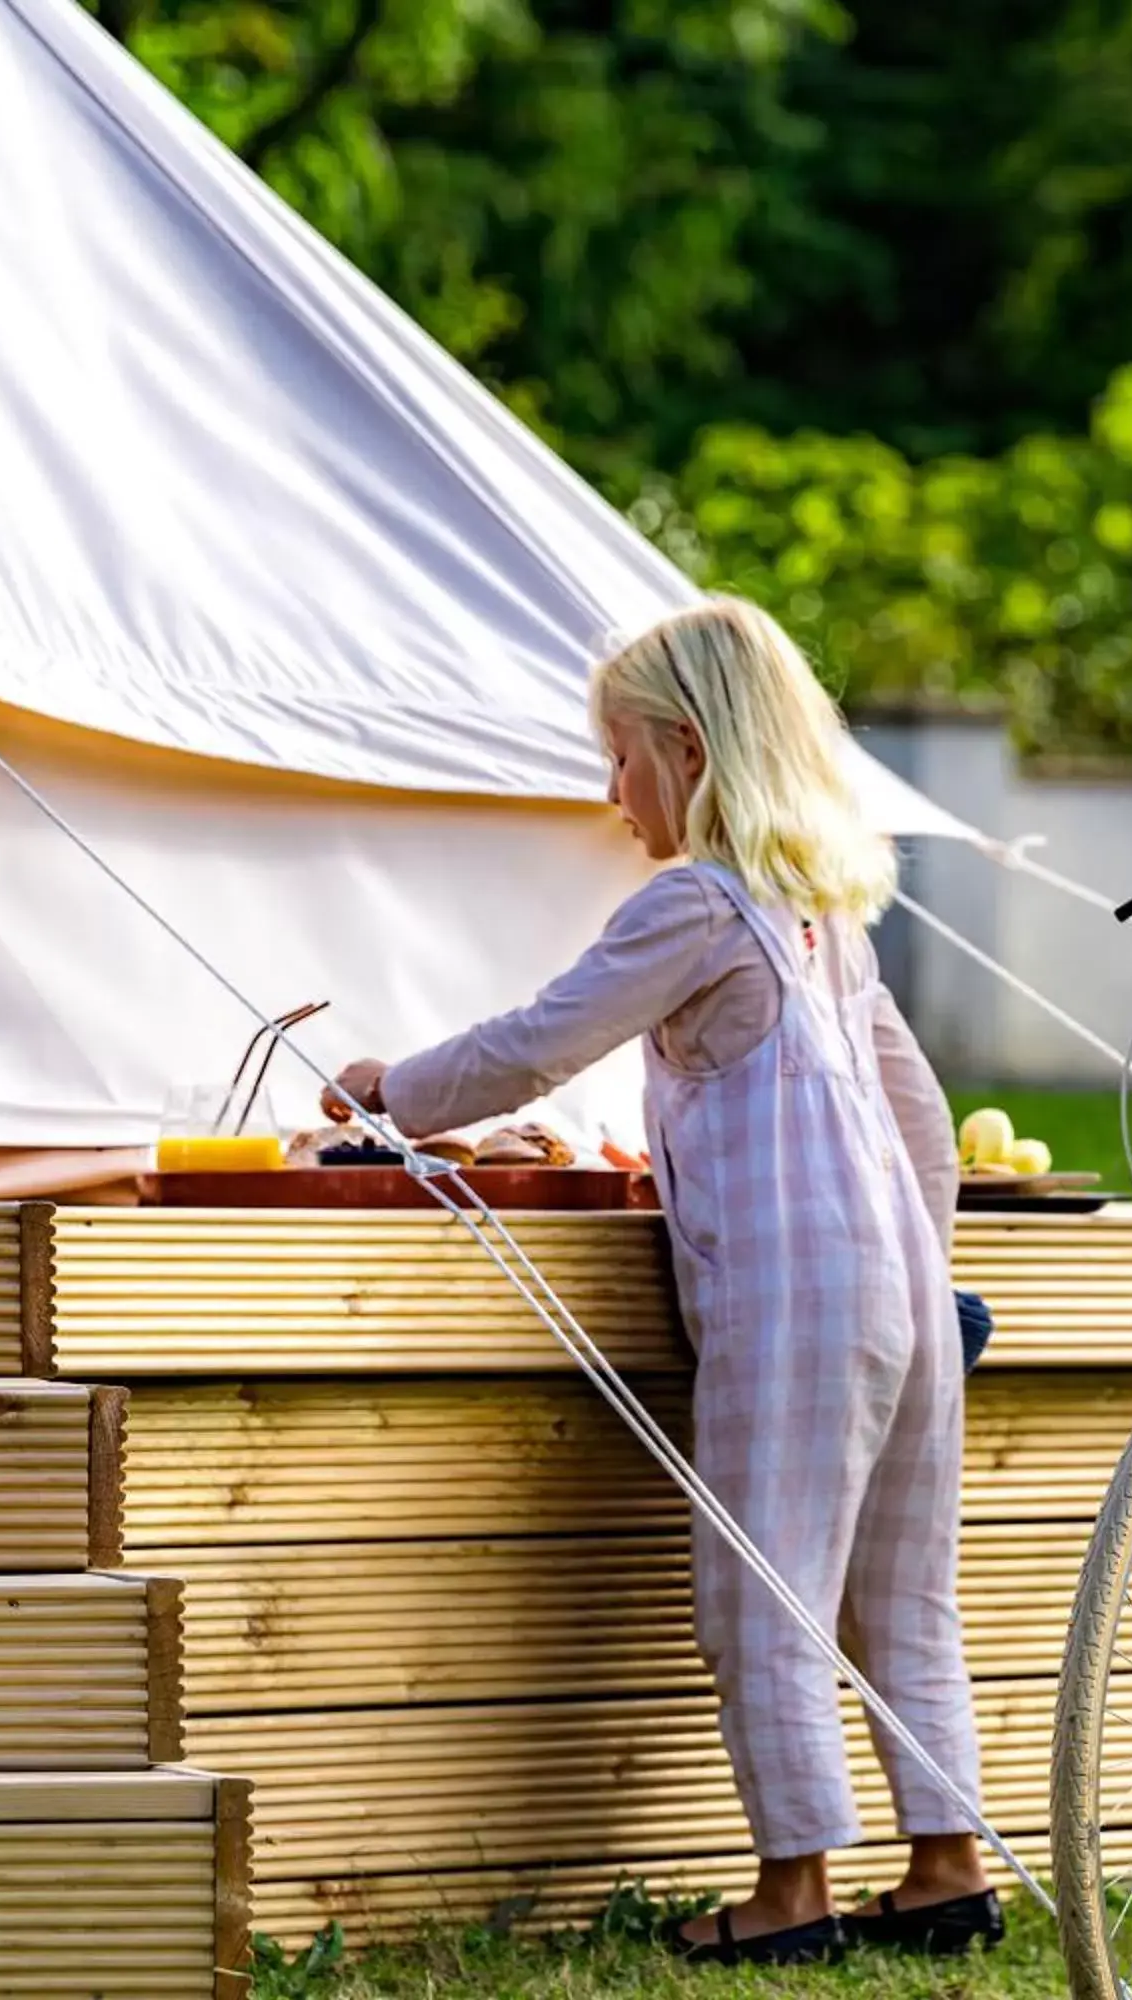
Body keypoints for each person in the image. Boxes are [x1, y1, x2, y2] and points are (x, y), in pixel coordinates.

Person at [327, 597, 1000, 1967]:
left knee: (766, 1583)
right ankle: (944, 1864)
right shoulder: (819, 913)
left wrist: (389, 1090)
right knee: (902, 1585)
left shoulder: (694, 902)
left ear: (688, 753)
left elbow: (534, 1046)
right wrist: (925, 1274)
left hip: (799, 1295)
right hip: (904, 1290)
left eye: (620, 757)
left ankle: (791, 1892)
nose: (610, 790)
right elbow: (916, 1111)